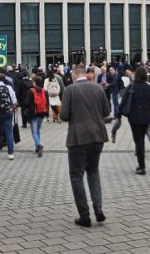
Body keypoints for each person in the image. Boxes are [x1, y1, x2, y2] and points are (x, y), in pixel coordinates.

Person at [60, 65, 111, 227]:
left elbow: (64, 115)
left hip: (78, 137)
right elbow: (106, 111)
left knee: (76, 175)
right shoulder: (98, 88)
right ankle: (98, 208)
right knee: (93, 171)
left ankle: (84, 215)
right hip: (97, 135)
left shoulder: (69, 90)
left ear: (74, 76)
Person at [123, 66, 150, 175]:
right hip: (146, 117)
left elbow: (123, 101)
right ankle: (141, 165)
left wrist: (118, 114)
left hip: (134, 118)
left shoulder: (131, 86)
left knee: (138, 141)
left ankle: (141, 166)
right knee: (141, 139)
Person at [26, 76, 50, 157]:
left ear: (35, 83)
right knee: (38, 130)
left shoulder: (31, 91)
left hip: (34, 114)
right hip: (42, 113)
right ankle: (37, 148)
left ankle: (39, 145)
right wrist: (47, 114)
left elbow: (27, 102)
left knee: (34, 132)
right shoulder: (44, 91)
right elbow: (47, 103)